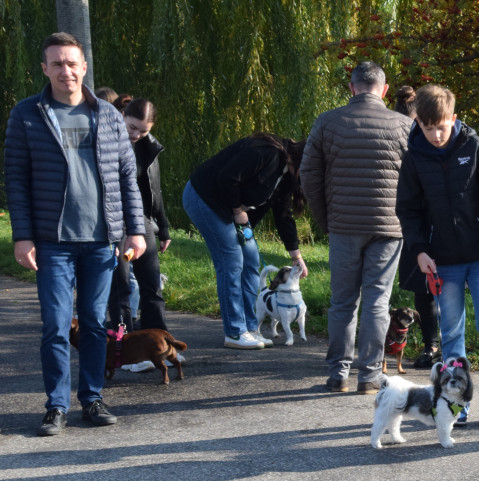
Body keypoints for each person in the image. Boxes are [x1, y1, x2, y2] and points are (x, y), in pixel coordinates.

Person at [5, 32, 146, 436]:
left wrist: (134, 230)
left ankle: (92, 398)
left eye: (72, 63)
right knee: (54, 324)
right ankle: (55, 405)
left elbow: (126, 177)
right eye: (57, 64)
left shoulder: (107, 115)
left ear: (83, 68)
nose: (65, 70)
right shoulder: (27, 114)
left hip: (101, 240)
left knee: (95, 323)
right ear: (45, 69)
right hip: (52, 242)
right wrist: (23, 236)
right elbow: (16, 179)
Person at [396, 84, 479, 429]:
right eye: (427, 127)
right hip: (441, 261)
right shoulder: (414, 157)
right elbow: (408, 210)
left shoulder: (476, 147)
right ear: (418, 122)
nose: (435, 135)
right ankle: (456, 401)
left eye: (442, 127)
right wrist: (419, 250)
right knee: (451, 332)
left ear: (454, 118)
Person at [301, 61, 412, 394]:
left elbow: (308, 175)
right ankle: (369, 377)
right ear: (385, 89)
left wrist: (326, 219)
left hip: (344, 225)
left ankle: (338, 374)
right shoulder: (404, 125)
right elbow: (417, 179)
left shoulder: (328, 122)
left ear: (352, 88)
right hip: (390, 228)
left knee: (343, 302)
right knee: (378, 302)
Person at [182, 132, 308, 349]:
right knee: (232, 261)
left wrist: (296, 256)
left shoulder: (286, 176)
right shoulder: (266, 153)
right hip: (205, 198)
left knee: (251, 260)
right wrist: (238, 211)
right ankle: (234, 331)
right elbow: (227, 177)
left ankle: (250, 328)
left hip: (233, 210)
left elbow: (283, 215)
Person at [107, 98, 173, 342]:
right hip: (115, 222)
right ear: (122, 115)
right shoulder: (107, 141)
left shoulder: (149, 147)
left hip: (142, 220)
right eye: (132, 127)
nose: (136, 134)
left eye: (144, 130)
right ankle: (125, 344)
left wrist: (163, 227)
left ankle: (159, 340)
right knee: (121, 287)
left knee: (151, 286)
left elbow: (155, 190)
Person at [392, 85, 441, 369]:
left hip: (425, 224)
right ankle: (431, 344)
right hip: (415, 224)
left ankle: (434, 345)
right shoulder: (407, 141)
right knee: (425, 290)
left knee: (429, 291)